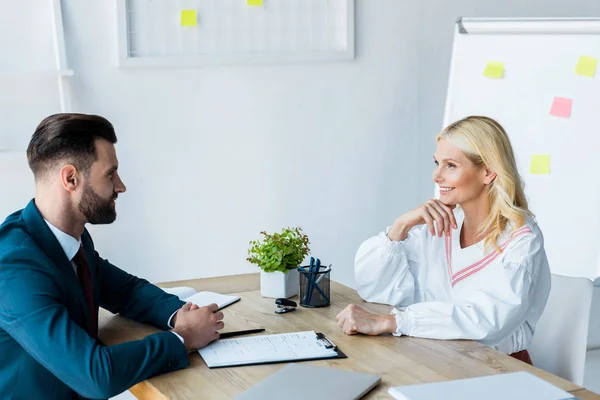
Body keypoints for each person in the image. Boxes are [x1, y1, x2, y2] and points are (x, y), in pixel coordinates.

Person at [0, 113, 225, 399]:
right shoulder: (13, 267)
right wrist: (181, 339)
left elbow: (126, 290)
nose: (121, 186)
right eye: (110, 173)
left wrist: (180, 315)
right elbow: (95, 375)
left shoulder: (71, 237)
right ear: (70, 178)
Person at [336, 116, 551, 364]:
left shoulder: (522, 238)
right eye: (437, 163)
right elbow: (375, 291)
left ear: (488, 172)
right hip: (432, 358)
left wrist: (395, 321)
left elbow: (489, 321)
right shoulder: (440, 225)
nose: (436, 176)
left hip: (498, 369)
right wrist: (399, 228)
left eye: (450, 165)